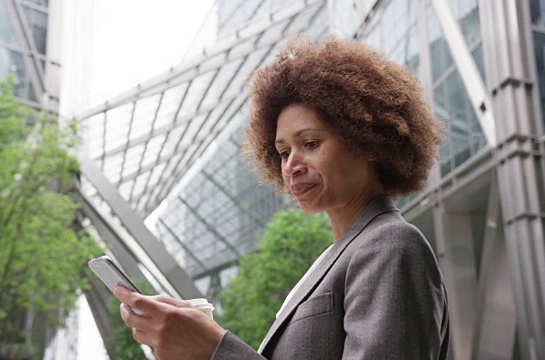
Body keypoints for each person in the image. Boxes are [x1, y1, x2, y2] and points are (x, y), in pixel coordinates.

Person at [114, 35, 449, 360]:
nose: (291, 165)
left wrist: (216, 348)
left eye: (311, 144)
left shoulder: (390, 245)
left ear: (368, 141)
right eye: (283, 151)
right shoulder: (332, 259)